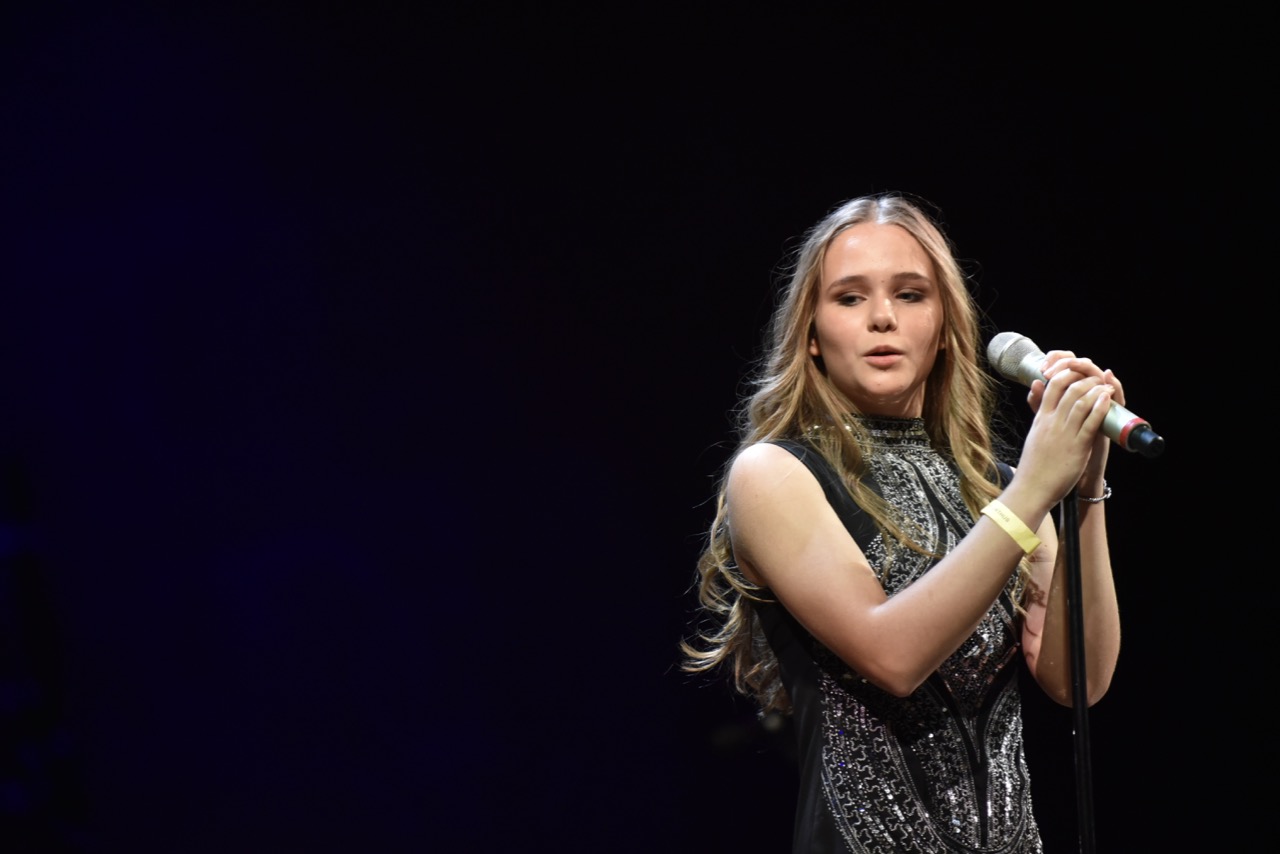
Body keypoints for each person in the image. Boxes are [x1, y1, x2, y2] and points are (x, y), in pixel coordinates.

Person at [682, 193, 1122, 853]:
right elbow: (892, 657)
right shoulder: (774, 475)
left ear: (944, 326)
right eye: (850, 298)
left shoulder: (1001, 487)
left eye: (911, 295)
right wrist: (1035, 489)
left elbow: (1076, 680)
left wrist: (1084, 489)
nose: (882, 317)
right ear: (811, 334)